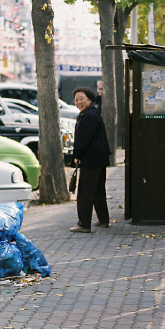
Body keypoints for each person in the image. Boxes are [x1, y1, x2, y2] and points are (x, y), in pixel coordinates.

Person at [69, 86, 111, 234]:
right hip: (99, 158)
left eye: (82, 99)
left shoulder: (89, 116)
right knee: (98, 190)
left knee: (85, 192)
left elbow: (83, 140)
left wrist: (77, 156)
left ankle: (84, 224)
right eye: (76, 99)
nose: (78, 102)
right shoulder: (91, 113)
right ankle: (103, 220)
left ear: (90, 99)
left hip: (91, 159)